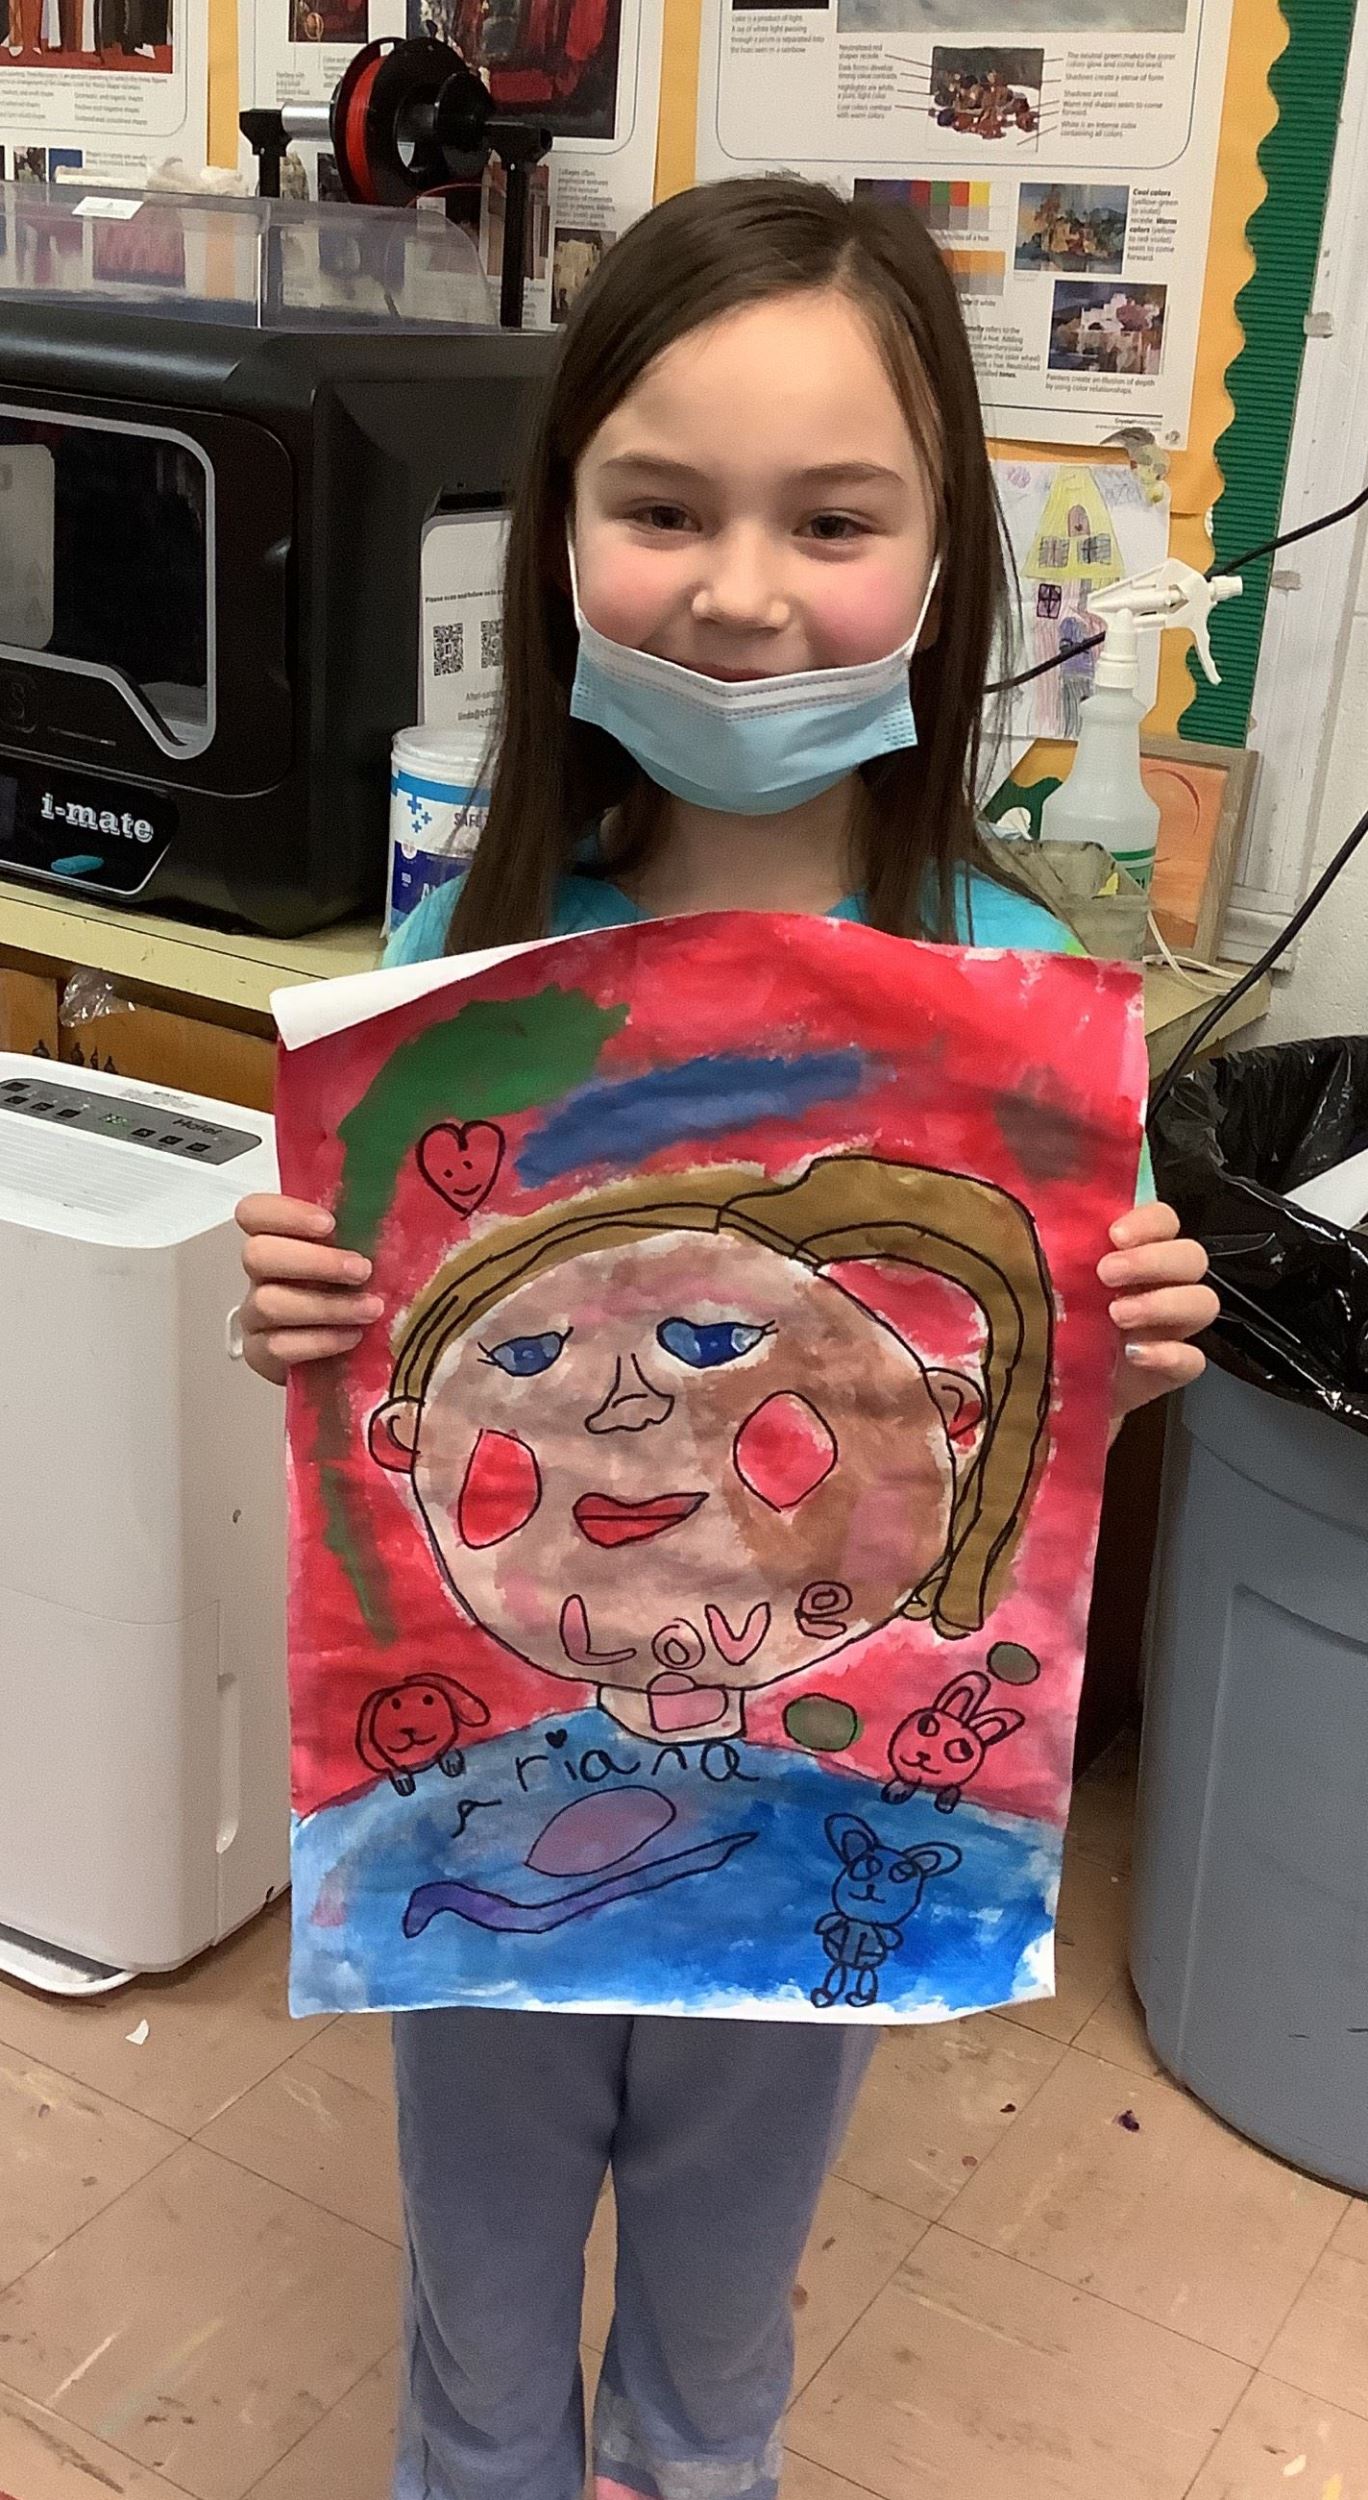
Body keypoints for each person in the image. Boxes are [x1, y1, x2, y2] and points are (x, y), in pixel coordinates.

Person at [234, 176, 1217, 2500]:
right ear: (558, 531)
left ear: (944, 562)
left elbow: (1015, 1417)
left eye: (833, 519)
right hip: (481, 1786)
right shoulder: (464, 961)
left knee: (719, 2296)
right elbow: (400, 1394)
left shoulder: (1015, 993)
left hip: (814, 1815)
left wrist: (1131, 1349)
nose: (746, 591)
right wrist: (302, 1307)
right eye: (664, 508)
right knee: (480, 2294)